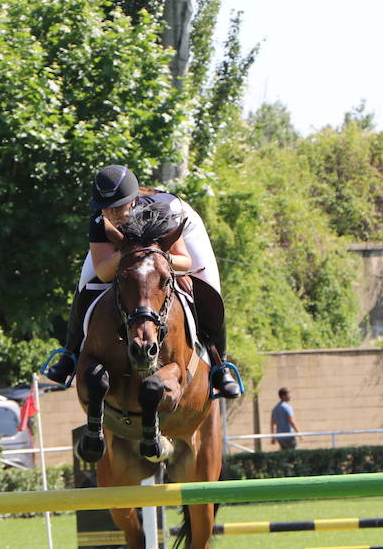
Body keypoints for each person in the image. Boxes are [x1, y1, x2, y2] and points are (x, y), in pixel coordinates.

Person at [41, 164, 242, 399]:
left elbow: (184, 261)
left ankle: (220, 366)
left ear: (132, 201)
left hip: (179, 228)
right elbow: (105, 273)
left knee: (208, 287)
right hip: (130, 250)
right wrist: (129, 255)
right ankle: (70, 354)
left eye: (117, 206)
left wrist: (152, 256)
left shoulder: (162, 212)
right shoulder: (100, 220)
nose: (112, 214)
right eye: (106, 208)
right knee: (85, 284)